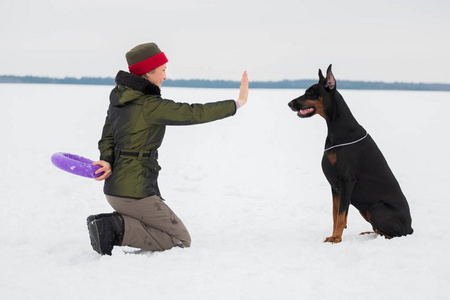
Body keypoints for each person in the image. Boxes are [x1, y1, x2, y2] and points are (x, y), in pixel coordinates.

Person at [86, 42, 249, 255]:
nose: (165, 76)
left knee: (164, 231)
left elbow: (107, 137)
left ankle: (112, 224)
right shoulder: (148, 105)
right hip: (134, 192)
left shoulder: (121, 100)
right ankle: (111, 227)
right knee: (180, 239)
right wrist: (237, 103)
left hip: (116, 189)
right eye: (162, 70)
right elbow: (192, 113)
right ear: (148, 72)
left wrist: (106, 159)